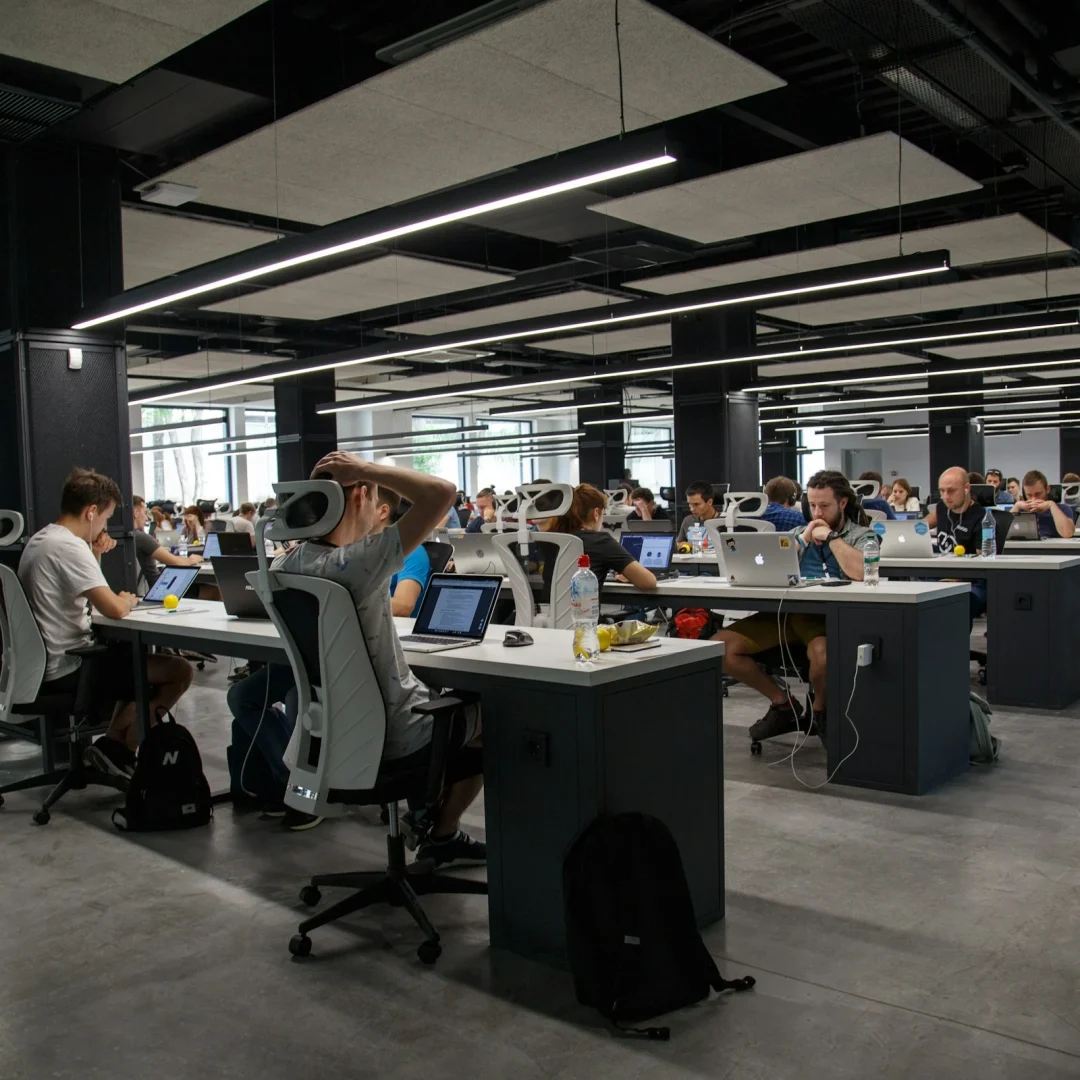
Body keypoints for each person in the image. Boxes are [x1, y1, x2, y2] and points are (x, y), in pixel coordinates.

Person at [275, 453, 486, 868]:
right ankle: (439, 829)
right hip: (395, 736)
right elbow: (442, 492)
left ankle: (426, 814)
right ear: (359, 497)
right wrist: (367, 471)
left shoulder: (287, 564)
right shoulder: (356, 562)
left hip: (330, 738)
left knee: (444, 706)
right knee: (495, 713)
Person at [18, 469, 193, 778]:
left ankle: (112, 748)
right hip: (69, 668)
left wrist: (95, 552)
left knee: (130, 659)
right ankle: (120, 749)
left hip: (41, 667)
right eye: (104, 519)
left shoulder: (42, 539)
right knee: (179, 670)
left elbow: (81, 589)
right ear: (91, 511)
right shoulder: (69, 547)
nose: (104, 527)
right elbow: (112, 608)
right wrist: (128, 600)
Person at [714, 470, 872, 743]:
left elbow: (860, 572)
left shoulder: (862, 534)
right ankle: (782, 703)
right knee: (721, 647)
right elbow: (771, 568)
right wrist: (802, 541)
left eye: (824, 505)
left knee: (822, 656)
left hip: (827, 619)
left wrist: (832, 537)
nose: (817, 511)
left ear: (842, 503)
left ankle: (820, 710)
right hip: (787, 615)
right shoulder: (799, 533)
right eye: (812, 505)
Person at [541, 483, 658, 593]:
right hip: (585, 613)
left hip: (545, 613)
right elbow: (648, 582)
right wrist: (629, 575)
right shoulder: (601, 541)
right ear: (596, 513)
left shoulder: (552, 539)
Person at [925, 466, 987, 628]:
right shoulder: (941, 508)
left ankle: (954, 650)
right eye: (942, 491)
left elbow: (984, 563)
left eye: (951, 491)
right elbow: (919, 528)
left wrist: (959, 578)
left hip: (970, 582)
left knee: (956, 603)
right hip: (940, 576)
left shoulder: (981, 517)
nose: (946, 496)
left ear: (967, 489)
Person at [132, 496, 202, 588]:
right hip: (160, 588)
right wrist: (192, 559)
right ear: (136, 513)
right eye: (145, 513)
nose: (146, 518)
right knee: (213, 590)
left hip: (154, 586)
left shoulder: (128, 537)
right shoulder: (141, 537)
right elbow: (176, 562)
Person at [1012, 470, 1076, 538]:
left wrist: (1051, 505)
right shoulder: (1020, 509)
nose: (1034, 499)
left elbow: (1067, 533)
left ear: (1047, 489)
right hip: (1023, 547)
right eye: (1029, 495)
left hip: (1052, 547)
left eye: (1038, 494)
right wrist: (1016, 506)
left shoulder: (1063, 509)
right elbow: (1001, 533)